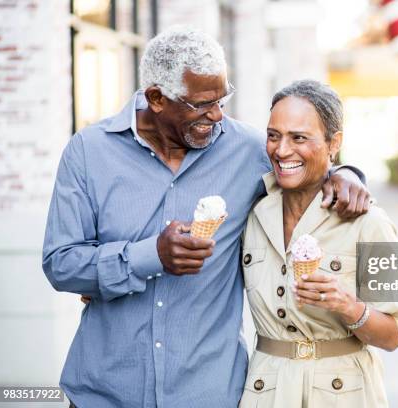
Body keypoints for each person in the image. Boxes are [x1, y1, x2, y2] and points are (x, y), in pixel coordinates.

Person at [42, 27, 369, 408]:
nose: (216, 115)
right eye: (200, 104)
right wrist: (151, 256)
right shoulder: (89, 152)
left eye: (222, 99)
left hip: (208, 394)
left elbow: (305, 163)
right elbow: (60, 264)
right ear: (156, 98)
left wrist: (347, 174)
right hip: (105, 393)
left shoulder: (248, 150)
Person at [240, 80, 398, 408]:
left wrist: (348, 306)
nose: (281, 151)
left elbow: (394, 336)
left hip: (345, 393)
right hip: (266, 391)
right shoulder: (251, 214)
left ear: (333, 142)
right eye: (273, 135)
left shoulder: (370, 222)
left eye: (299, 138)